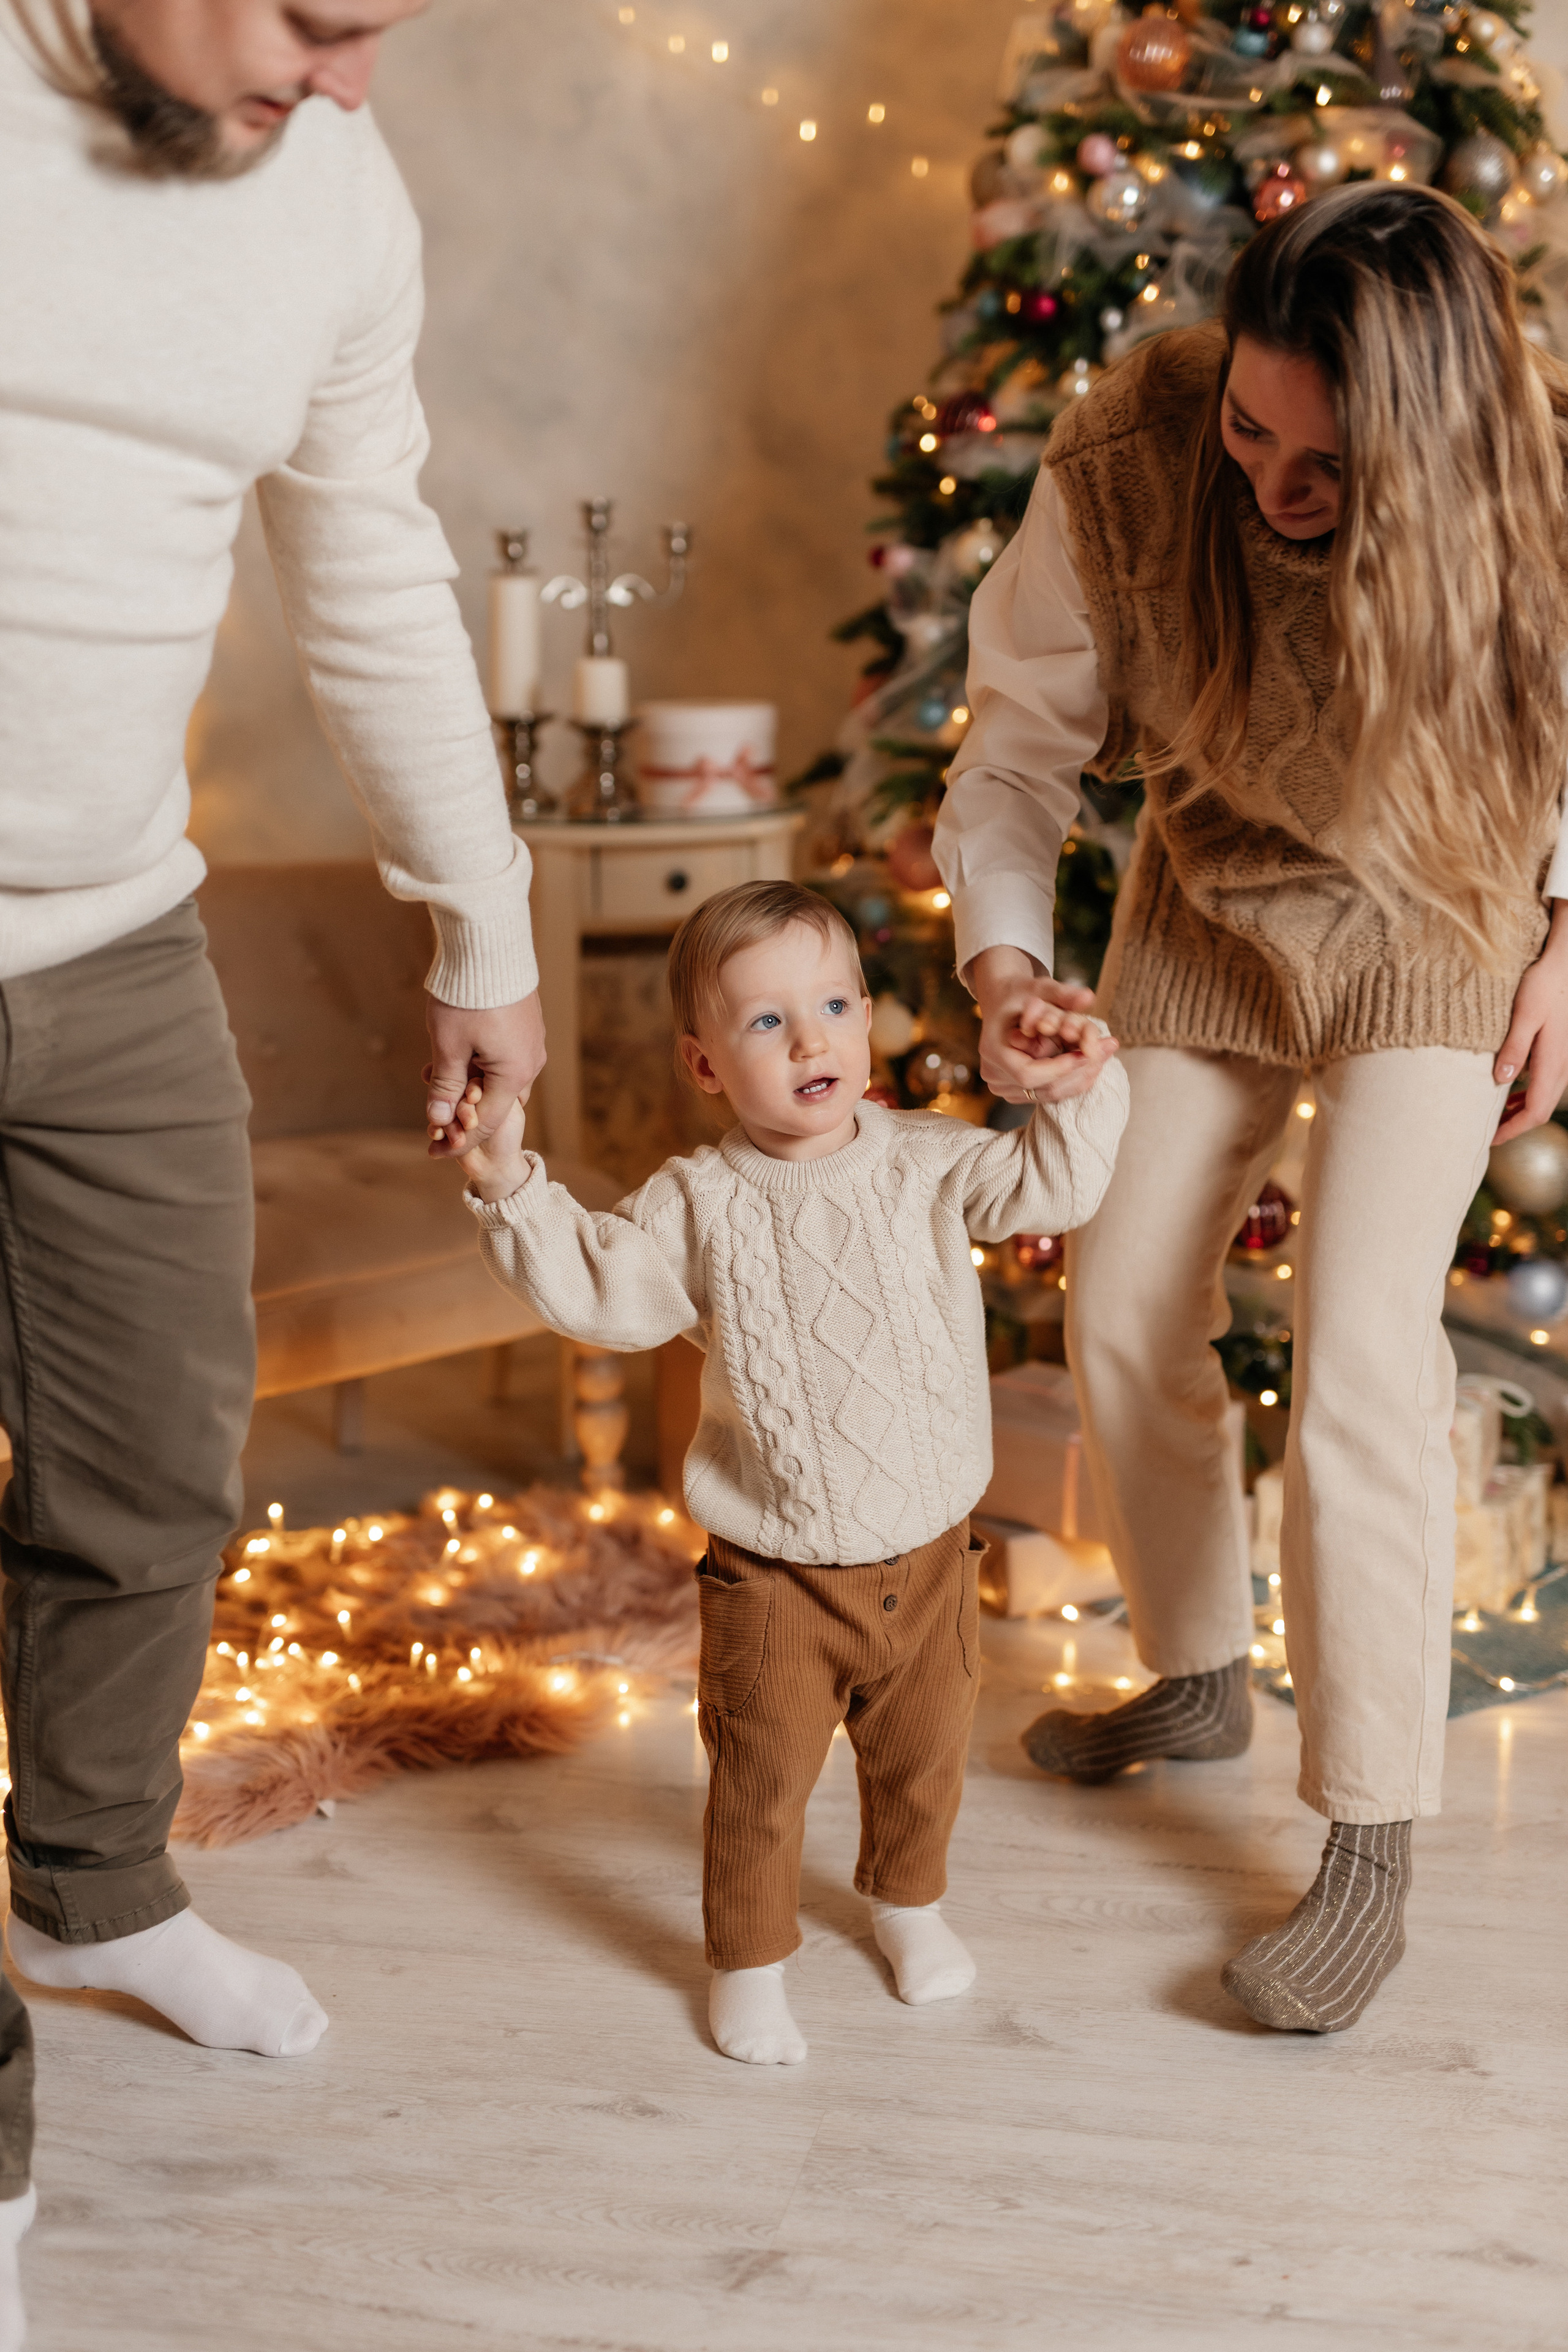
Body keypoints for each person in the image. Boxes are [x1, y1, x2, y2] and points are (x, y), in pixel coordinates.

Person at [0, 0, 543, 2297]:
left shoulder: (335, 197)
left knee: (151, 1470)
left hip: (116, 938)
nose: (351, 83)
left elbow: (371, 567)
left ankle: (93, 1885)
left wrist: (482, 926)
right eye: (323, 20)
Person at [933, 183, 1568, 2035]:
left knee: (1361, 1347)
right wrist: (1002, 967)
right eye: (1251, 431)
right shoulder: (1129, 451)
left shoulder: (1528, 488)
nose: (1275, 488)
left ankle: (1365, 1838)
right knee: (1127, 1294)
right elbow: (1017, 746)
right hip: (1209, 904)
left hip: (1434, 915)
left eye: (1330, 467)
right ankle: (1200, 1672)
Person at [451, 880, 1128, 2065]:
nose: (810, 1041)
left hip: (930, 1555)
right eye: (766, 1021)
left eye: (832, 1006)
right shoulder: (696, 1204)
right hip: (775, 1578)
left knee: (921, 1764)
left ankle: (907, 1905)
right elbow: (601, 1290)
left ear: (866, 1017)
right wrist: (510, 1186)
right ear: (704, 1064)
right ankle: (749, 1961)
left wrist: (1074, 1085)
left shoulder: (927, 1160)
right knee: (760, 1786)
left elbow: (1053, 1188)